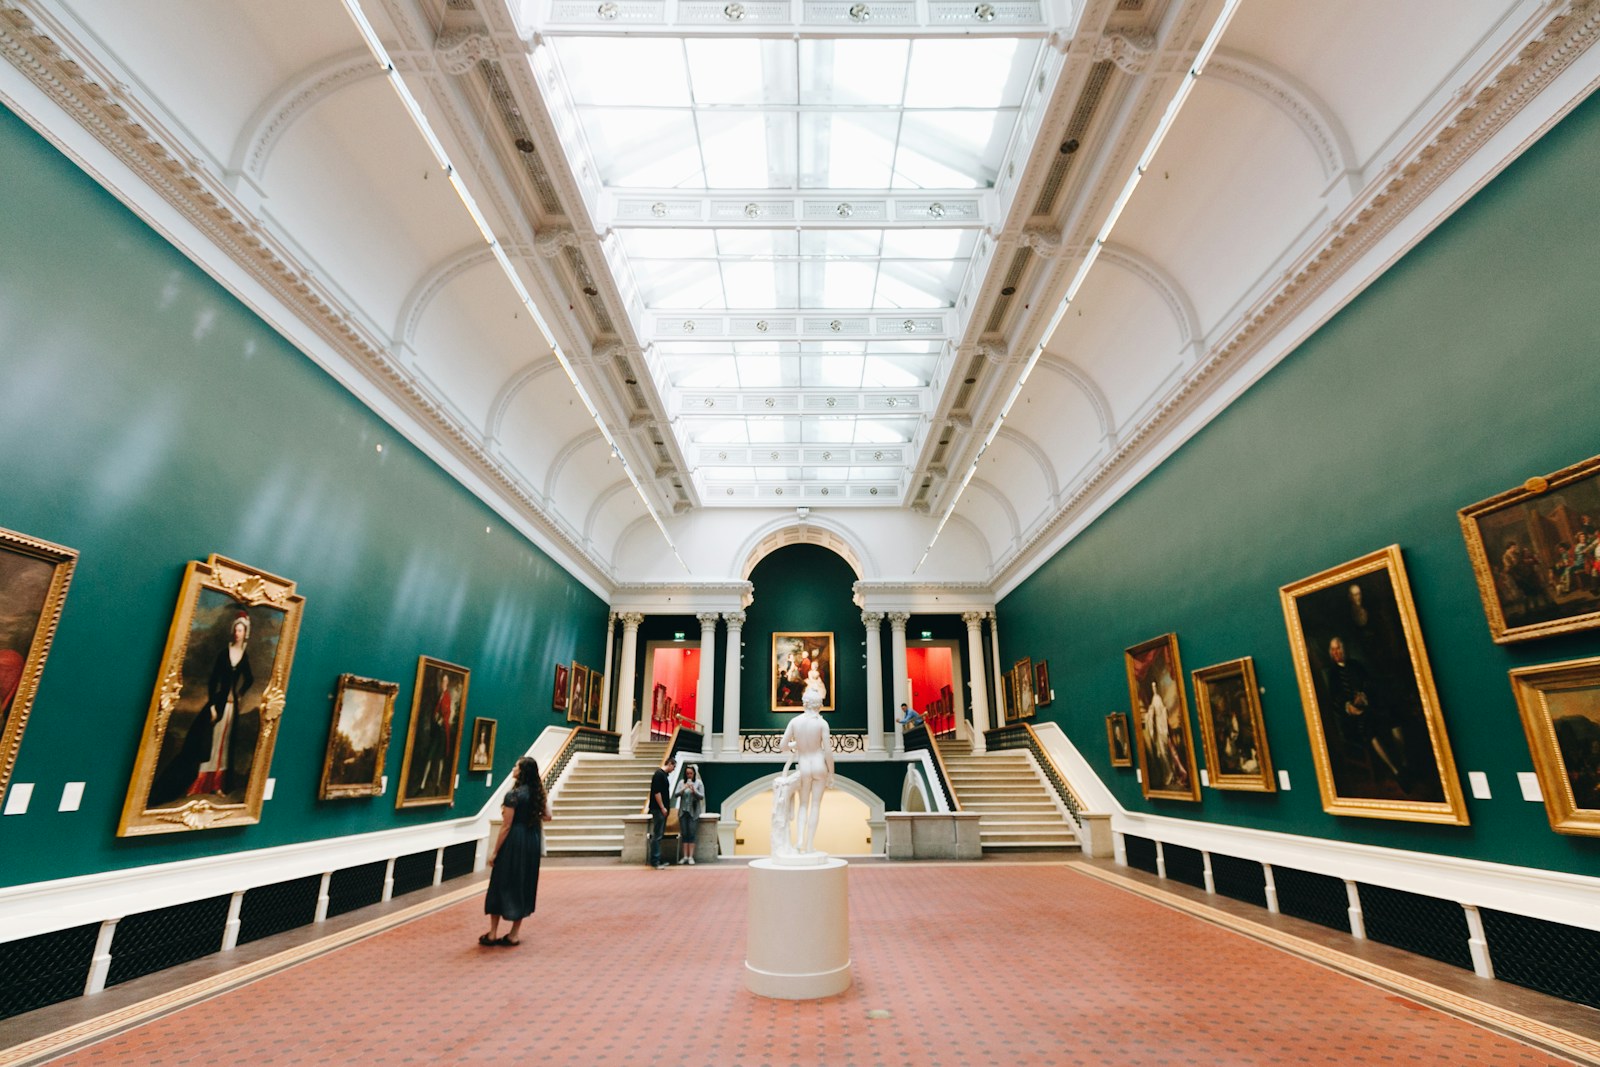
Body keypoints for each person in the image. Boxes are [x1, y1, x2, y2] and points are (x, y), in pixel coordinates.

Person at [481, 756, 550, 947]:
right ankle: (513, 934)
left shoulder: (513, 795)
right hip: (531, 841)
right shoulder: (538, 794)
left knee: (500, 882)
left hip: (515, 840)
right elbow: (548, 816)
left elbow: (506, 826)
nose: (513, 769)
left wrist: (495, 852)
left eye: (516, 766)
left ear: (522, 772)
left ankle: (493, 933)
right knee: (523, 881)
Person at [775, 668, 834, 855]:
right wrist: (831, 773)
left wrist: (796, 743)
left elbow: (782, 746)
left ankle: (799, 840)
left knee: (803, 805)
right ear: (819, 705)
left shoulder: (795, 722)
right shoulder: (822, 723)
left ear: (804, 703)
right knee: (815, 805)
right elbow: (828, 751)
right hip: (818, 765)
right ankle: (809, 845)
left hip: (804, 767)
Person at [673, 763, 705, 864]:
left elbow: (701, 796)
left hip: (693, 812)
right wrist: (684, 788)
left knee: (691, 833)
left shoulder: (698, 783)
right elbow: (676, 794)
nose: (689, 775)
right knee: (684, 834)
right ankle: (685, 856)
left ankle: (691, 856)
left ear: (694, 774)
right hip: (683, 812)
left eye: (691, 773)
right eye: (687, 773)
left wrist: (694, 790)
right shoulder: (681, 782)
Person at [647, 755, 675, 869]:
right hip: (658, 810)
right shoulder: (659, 775)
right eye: (673, 766)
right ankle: (655, 860)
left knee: (659, 834)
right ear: (669, 764)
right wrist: (663, 807)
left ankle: (658, 858)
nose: (673, 769)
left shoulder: (662, 775)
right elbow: (657, 793)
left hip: (661, 809)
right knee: (657, 835)